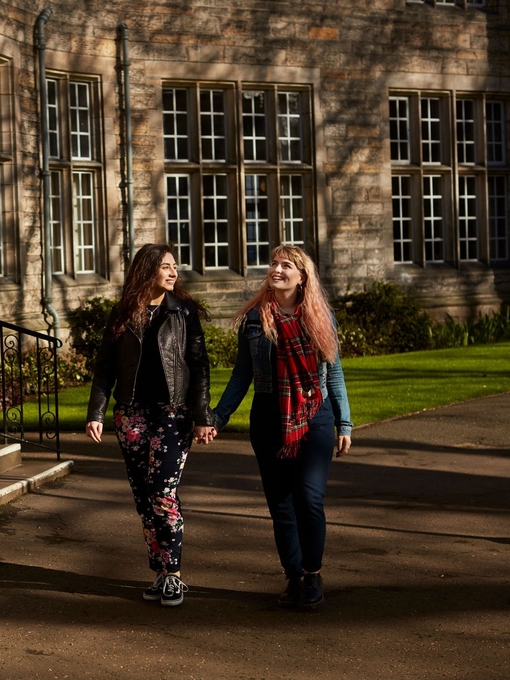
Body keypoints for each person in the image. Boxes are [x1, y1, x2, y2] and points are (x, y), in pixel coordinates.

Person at [214, 245, 352, 608]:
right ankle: (293, 575)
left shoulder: (321, 317)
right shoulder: (256, 320)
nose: (276, 268)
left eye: (286, 264)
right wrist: (218, 416)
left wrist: (345, 423)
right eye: (274, 263)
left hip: (315, 416)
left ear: (302, 276)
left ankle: (313, 573)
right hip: (268, 416)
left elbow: (334, 374)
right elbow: (241, 375)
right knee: (281, 504)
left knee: (309, 497)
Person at [86, 244, 216, 607]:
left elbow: (199, 367)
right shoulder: (123, 314)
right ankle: (160, 573)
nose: (174, 273)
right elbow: (105, 370)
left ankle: (173, 575)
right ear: (147, 272)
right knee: (145, 500)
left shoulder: (184, 313)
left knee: (163, 494)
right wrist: (96, 412)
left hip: (173, 415)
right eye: (166, 267)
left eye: (175, 267)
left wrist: (203, 416)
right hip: (131, 415)